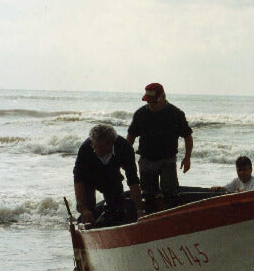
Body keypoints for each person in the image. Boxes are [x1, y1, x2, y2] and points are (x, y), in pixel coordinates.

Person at [127, 83, 193, 211]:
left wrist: (187, 158)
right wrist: (124, 158)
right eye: (148, 101)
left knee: (170, 194)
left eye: (154, 101)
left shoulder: (176, 114)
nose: (151, 104)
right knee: (148, 195)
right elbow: (130, 138)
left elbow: (187, 136)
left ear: (163, 97)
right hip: (146, 160)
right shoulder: (140, 114)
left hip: (167, 160)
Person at [73, 124, 143, 225]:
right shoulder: (85, 148)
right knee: (88, 212)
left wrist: (139, 210)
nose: (96, 150)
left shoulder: (124, 147)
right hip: (89, 179)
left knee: (118, 210)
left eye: (100, 147)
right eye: (94, 146)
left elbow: (133, 180)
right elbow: (78, 179)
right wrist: (83, 209)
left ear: (111, 143)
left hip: (112, 177)